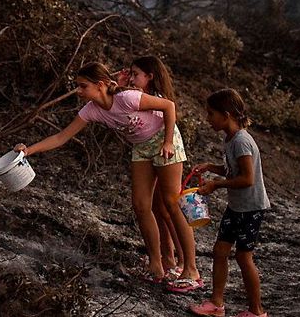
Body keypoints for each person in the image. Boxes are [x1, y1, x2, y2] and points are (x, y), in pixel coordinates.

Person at [14, 62, 202, 291]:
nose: (79, 91)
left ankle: (191, 269)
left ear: (100, 85)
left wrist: (168, 141)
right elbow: (61, 137)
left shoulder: (128, 98)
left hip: (164, 140)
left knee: (172, 202)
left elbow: (169, 106)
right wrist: (28, 150)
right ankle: (156, 265)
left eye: (83, 86)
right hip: (141, 148)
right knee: (141, 205)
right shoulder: (91, 110)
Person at [188, 88, 270, 317]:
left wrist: (216, 185)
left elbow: (247, 178)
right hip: (236, 207)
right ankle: (216, 303)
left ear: (226, 115)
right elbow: (232, 170)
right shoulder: (230, 138)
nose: (208, 119)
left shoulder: (242, 141)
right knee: (220, 251)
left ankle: (257, 311)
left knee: (244, 257)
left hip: (251, 208)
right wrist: (211, 168)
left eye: (211, 114)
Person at [121, 56, 185, 279]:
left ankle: (184, 262)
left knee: (168, 207)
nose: (131, 78)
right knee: (157, 208)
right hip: (145, 152)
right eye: (130, 73)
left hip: (165, 150)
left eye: (135, 74)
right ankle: (166, 259)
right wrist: (120, 81)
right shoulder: (135, 95)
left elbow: (169, 112)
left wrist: (167, 143)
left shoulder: (154, 98)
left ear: (150, 77)